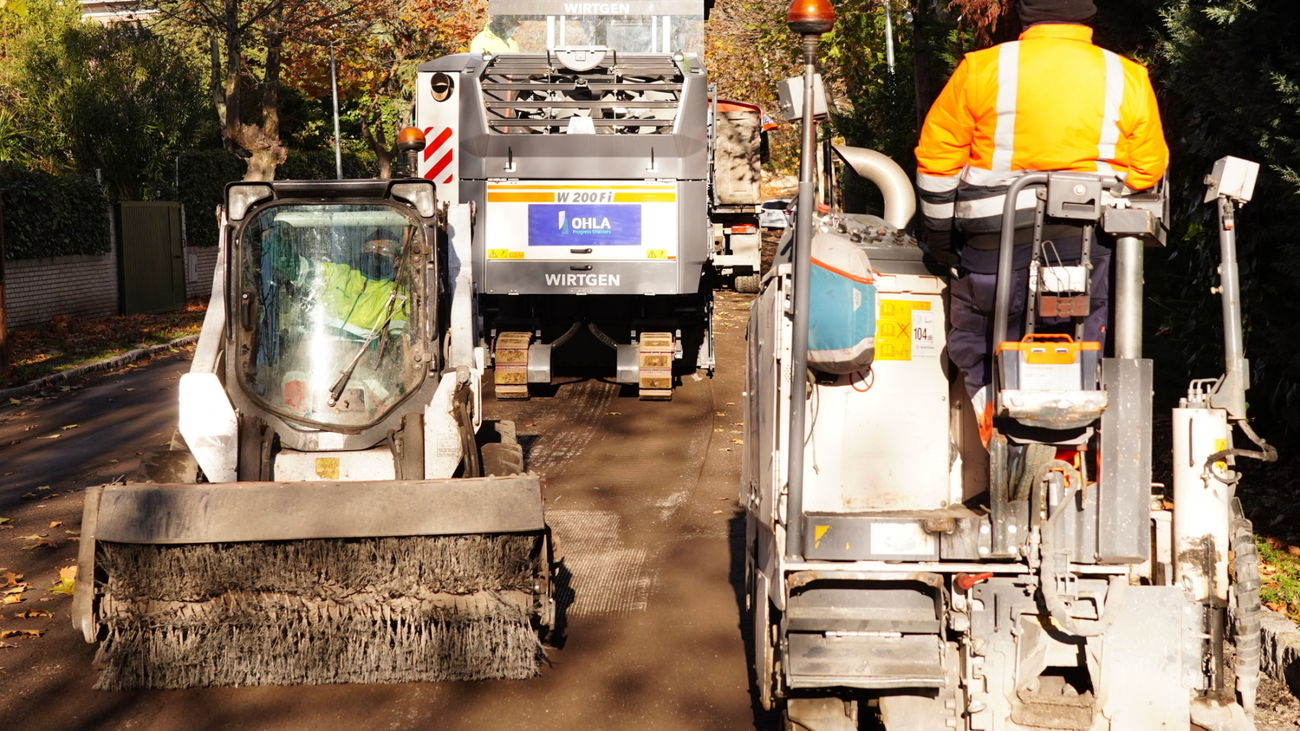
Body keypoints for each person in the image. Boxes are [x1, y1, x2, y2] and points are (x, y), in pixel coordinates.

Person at [914, 0, 1168, 441]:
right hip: (1085, 248)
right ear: (1089, 16)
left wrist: (939, 238)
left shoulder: (981, 69)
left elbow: (937, 164)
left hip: (991, 249)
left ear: (1024, 16)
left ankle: (998, 433)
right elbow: (1148, 169)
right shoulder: (1127, 76)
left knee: (979, 345)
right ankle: (1075, 440)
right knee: (1084, 337)